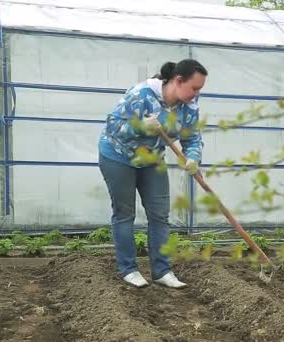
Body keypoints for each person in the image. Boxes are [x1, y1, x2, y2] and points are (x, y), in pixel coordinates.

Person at [98, 59, 207, 288]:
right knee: (124, 213)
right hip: (119, 156)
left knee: (159, 214)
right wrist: (140, 127)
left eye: (200, 89)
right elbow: (113, 126)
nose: (196, 94)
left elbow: (192, 138)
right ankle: (129, 269)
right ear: (178, 81)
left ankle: (162, 271)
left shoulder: (189, 107)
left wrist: (193, 158)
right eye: (194, 88)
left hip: (151, 159)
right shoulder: (141, 95)